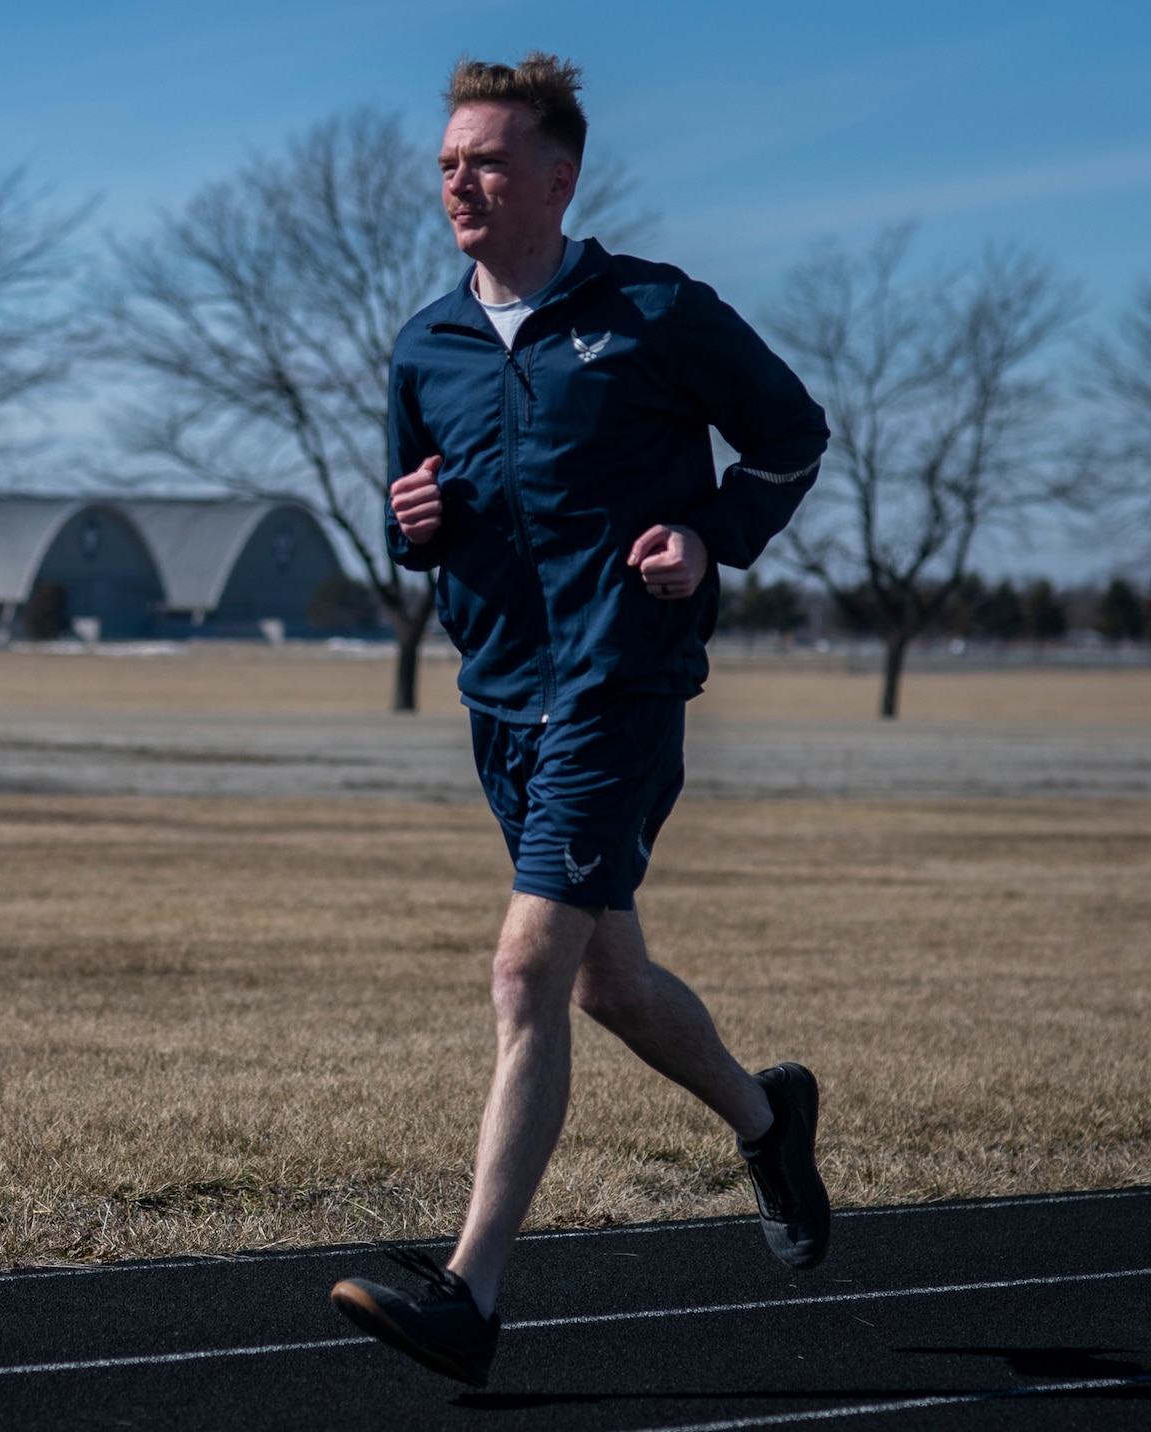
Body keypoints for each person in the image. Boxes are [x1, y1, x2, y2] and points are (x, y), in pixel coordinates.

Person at [328, 52, 833, 1389]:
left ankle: (470, 1293)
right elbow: (416, 516)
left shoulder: (657, 312)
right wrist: (411, 528)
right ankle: (765, 1118)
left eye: (484, 161)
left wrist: (709, 538)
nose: (457, 182)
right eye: (446, 163)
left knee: (522, 973)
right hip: (498, 698)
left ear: (560, 177)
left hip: (620, 686)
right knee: (605, 979)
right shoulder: (423, 345)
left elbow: (791, 436)